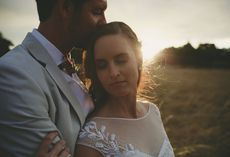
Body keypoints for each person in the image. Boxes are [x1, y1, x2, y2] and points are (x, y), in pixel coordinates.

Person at [0, 0, 107, 156]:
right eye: (97, 11)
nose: (104, 22)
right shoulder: (14, 73)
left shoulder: (67, 65)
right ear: (66, 7)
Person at [74, 21, 175, 156]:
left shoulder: (153, 112)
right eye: (102, 65)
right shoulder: (92, 137)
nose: (113, 72)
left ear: (138, 60)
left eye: (121, 60)